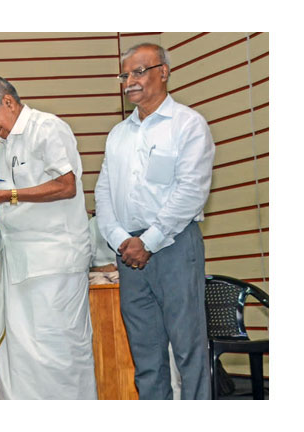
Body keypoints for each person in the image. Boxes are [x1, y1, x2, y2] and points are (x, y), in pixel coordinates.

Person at [0, 73, 97, 399]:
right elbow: (19, 187)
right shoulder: (5, 142)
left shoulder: (47, 128)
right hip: (19, 261)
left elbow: (66, 185)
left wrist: (5, 195)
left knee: (56, 354)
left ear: (8, 102)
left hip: (53, 263)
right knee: (19, 355)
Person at [94, 43, 215, 399]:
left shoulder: (187, 124)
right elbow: (103, 193)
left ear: (163, 72)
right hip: (128, 255)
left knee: (188, 350)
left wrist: (149, 241)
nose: (129, 81)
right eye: (124, 74)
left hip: (175, 246)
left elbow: (192, 190)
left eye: (138, 72)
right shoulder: (118, 135)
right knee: (145, 355)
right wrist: (120, 239)